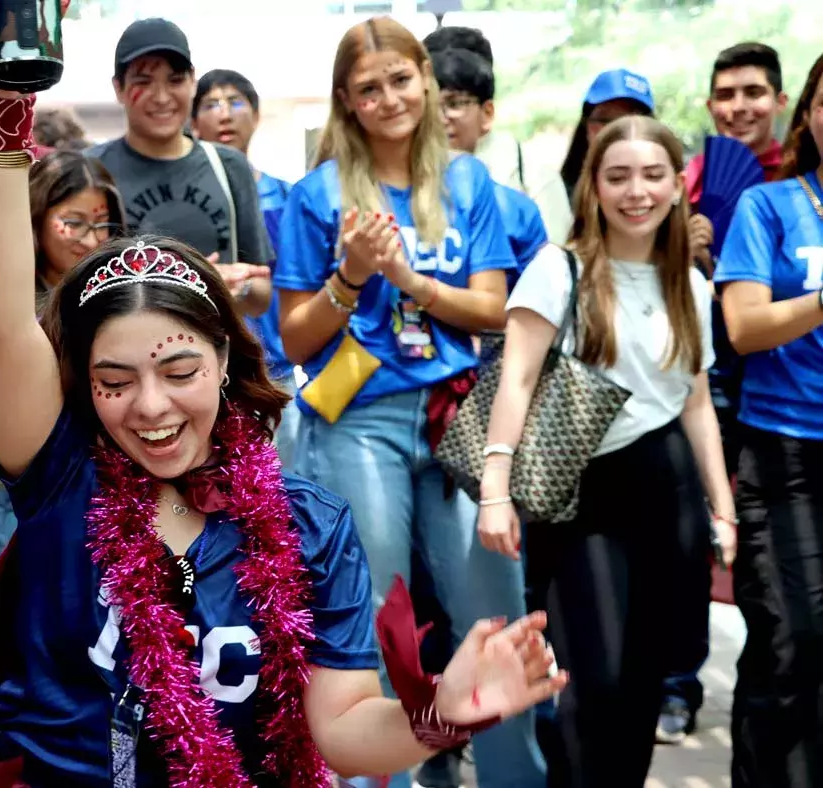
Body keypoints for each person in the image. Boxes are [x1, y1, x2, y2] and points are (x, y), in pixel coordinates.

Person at [0, 5, 566, 785]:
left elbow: (342, 729)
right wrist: (1, 107)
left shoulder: (312, 524)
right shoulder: (60, 474)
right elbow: (4, 326)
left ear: (226, 360)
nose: (153, 408)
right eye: (114, 383)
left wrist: (441, 713)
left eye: (180, 372)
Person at [274, 17, 545, 788]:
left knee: (495, 614)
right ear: (346, 102)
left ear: (426, 81)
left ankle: (511, 777)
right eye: (369, 87)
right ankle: (375, 777)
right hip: (359, 417)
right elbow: (294, 339)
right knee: (381, 625)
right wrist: (353, 276)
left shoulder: (468, 183)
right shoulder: (317, 196)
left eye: (401, 79)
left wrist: (413, 283)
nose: (389, 98)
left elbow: (496, 309)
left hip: (459, 411)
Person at [480, 115, 734, 787]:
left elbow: (697, 403)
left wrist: (723, 509)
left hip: (669, 492)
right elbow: (517, 380)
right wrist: (494, 489)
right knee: (597, 677)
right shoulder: (558, 270)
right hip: (583, 494)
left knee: (647, 679)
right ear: (593, 186)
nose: (636, 192)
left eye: (653, 176)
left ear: (678, 187)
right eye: (617, 176)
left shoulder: (692, 285)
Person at [656, 40, 790, 747]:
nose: (740, 107)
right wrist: (690, 248)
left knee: (766, 562)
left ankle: (769, 691)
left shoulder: (801, 181)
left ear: (781, 101)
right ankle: (678, 684)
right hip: (699, 383)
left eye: (754, 93)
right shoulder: (689, 178)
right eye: (727, 95)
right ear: (711, 105)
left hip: (776, 392)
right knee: (686, 546)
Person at [717, 50, 823, 788]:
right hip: (784, 452)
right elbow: (744, 326)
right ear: (809, 114)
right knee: (792, 640)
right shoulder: (771, 206)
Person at [0, 149, 124, 571]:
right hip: (18, 486)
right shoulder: (12, 308)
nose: (92, 240)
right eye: (73, 223)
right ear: (36, 219)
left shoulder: (121, 300)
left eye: (103, 225)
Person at [86, 19, 273, 319]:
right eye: (143, 82)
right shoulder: (92, 170)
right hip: (121, 358)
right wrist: (188, 283)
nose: (161, 97)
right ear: (119, 89)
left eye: (174, 80)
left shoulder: (228, 166)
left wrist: (237, 286)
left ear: (192, 82)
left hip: (213, 358)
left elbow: (261, 293)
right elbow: (65, 286)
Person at [190, 68, 302, 466]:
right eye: (210, 104)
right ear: (192, 122)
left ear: (255, 116)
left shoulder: (287, 197)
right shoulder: (186, 202)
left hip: (273, 367)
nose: (224, 114)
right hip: (201, 369)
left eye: (235, 102)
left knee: (278, 494)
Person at [421, 26, 571, 243]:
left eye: (455, 101)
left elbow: (555, 256)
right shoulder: (402, 168)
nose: (442, 117)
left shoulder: (530, 174)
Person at [559, 69, 655, 201]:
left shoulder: (671, 191)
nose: (616, 131)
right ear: (586, 127)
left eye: (630, 120)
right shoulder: (558, 196)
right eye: (605, 120)